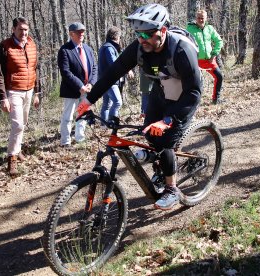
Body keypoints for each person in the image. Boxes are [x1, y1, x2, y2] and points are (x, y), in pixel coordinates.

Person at [77, 4, 202, 210]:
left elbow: (194, 93)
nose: (141, 39)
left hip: (184, 93)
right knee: (148, 130)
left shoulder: (181, 50)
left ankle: (172, 188)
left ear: (162, 31)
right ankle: (158, 159)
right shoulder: (139, 47)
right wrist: (88, 100)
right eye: (138, 34)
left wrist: (168, 120)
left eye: (146, 34)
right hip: (161, 88)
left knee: (165, 139)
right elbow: (113, 72)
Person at [0, 17, 40, 177]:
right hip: (13, 91)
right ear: (13, 29)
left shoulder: (31, 44)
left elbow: (36, 68)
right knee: (17, 125)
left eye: (26, 29)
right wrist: (3, 97)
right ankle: (11, 158)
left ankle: (18, 149)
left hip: (29, 89)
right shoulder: (5, 46)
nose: (24, 32)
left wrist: (37, 93)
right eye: (21, 29)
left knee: (24, 123)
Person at [58, 22, 97, 147]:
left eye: (83, 32)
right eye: (78, 32)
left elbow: (94, 67)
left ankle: (80, 138)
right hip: (72, 90)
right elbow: (66, 72)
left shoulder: (88, 49)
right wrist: (80, 86)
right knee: (68, 117)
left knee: (83, 114)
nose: (81, 34)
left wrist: (91, 83)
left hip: (87, 89)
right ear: (71, 34)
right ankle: (66, 141)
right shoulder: (65, 50)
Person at [186, 10, 223, 104]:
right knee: (194, 82)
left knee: (219, 76)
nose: (200, 20)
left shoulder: (209, 29)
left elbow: (219, 41)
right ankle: (190, 102)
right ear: (196, 18)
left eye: (202, 18)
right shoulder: (190, 29)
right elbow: (184, 42)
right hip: (196, 61)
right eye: (198, 18)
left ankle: (216, 99)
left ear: (206, 18)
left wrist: (214, 53)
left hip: (209, 60)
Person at [99, 26, 124, 122]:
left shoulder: (105, 46)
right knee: (118, 102)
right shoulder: (109, 48)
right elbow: (114, 64)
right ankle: (111, 122)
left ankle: (103, 126)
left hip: (104, 80)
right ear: (117, 37)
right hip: (110, 81)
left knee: (106, 104)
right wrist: (126, 69)